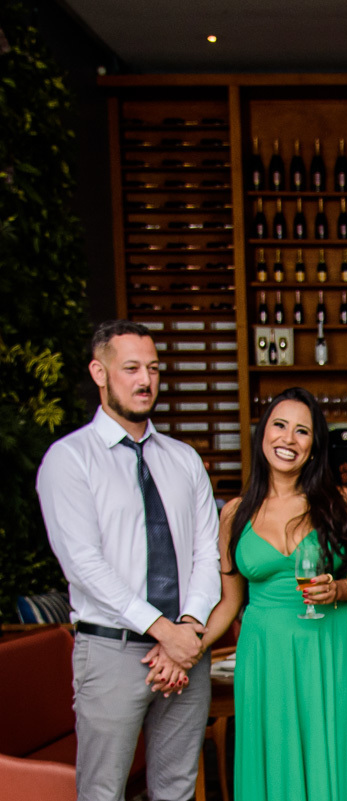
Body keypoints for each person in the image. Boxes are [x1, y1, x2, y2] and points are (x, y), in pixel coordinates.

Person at [36, 320, 220, 801]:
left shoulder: (183, 459)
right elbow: (84, 566)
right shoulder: (69, 459)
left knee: (177, 789)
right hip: (111, 652)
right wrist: (167, 632)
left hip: (186, 646)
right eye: (132, 368)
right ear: (100, 372)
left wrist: (188, 626)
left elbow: (207, 553)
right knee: (103, 792)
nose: (146, 381)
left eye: (154, 369)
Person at [198, 386, 347, 801]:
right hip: (264, 656)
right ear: (262, 434)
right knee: (273, 755)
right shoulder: (234, 513)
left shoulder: (340, 503)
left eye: (302, 431)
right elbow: (229, 603)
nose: (288, 439)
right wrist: (189, 647)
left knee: (326, 749)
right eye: (279, 426)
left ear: (314, 445)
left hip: (323, 649)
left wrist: (339, 589)